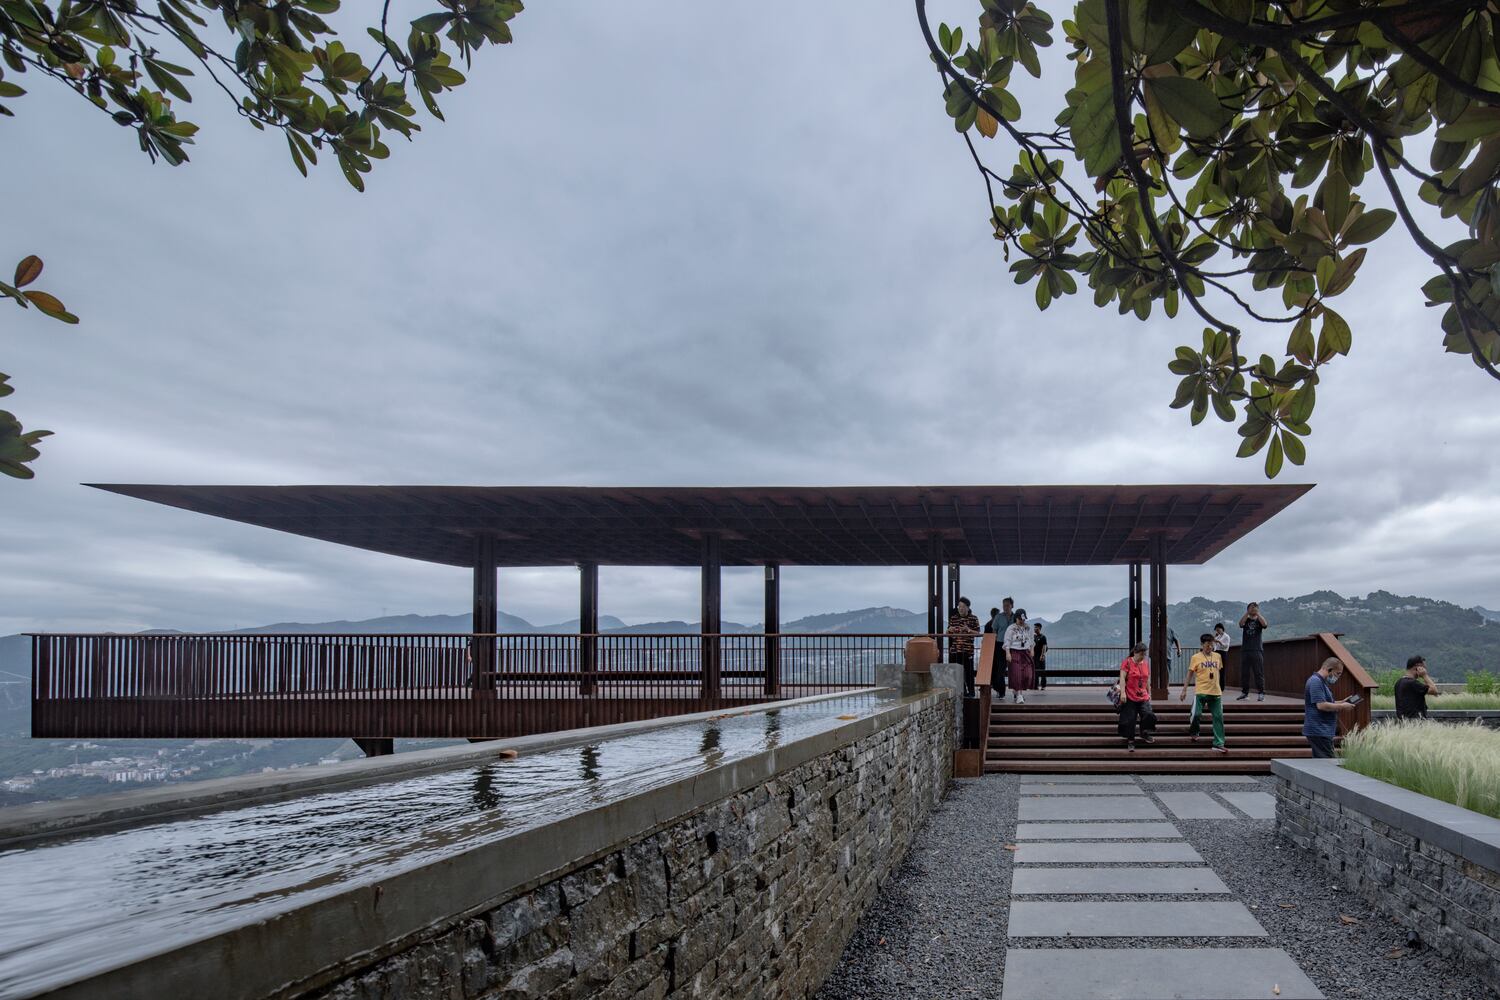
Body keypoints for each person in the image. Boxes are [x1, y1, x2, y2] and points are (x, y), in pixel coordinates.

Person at [1303, 656, 1359, 758]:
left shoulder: (1320, 682)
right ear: (1329, 669)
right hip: (1319, 729)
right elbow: (1321, 705)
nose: (1337, 677)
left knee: (1321, 762)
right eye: (1337, 674)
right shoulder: (1316, 681)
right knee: (1327, 763)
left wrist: (1341, 702)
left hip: (1322, 729)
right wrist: (1342, 706)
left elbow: (1324, 701)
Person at [1181, 633, 1227, 754]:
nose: (1210, 647)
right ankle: (1194, 731)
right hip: (1201, 691)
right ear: (1202, 645)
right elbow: (1190, 674)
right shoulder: (1196, 657)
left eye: (1211, 645)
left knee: (1218, 717)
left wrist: (1221, 688)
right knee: (1196, 715)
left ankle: (1218, 743)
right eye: (1207, 645)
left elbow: (1219, 672)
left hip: (1215, 692)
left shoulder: (1217, 656)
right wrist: (1184, 689)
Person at [1115, 641, 1156, 751]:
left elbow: (1147, 679)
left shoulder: (1145, 664)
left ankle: (1144, 732)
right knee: (1130, 719)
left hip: (1143, 695)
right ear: (1135, 653)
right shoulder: (1127, 662)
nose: (1143, 656)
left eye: (1144, 654)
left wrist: (1149, 693)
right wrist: (1123, 693)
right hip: (1130, 695)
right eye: (1142, 654)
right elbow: (1122, 678)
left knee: (1148, 714)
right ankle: (1131, 740)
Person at [947, 597, 981, 697]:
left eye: (963, 606)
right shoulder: (954, 618)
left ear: (968, 607)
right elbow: (947, 632)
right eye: (959, 606)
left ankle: (971, 692)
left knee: (969, 673)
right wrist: (950, 630)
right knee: (957, 673)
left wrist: (968, 630)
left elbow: (978, 633)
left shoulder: (973, 618)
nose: (960, 608)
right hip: (955, 650)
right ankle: (962, 692)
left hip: (967, 651)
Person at [1237, 602, 1268, 702]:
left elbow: (1265, 624)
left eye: (1255, 608)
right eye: (1251, 608)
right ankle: (1244, 693)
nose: (1253, 609)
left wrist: (1257, 614)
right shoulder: (1246, 620)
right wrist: (1247, 613)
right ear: (1248, 609)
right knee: (1244, 673)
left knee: (1258, 672)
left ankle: (1261, 693)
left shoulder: (1259, 620)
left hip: (1257, 649)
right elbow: (1240, 624)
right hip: (1245, 649)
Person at [1003, 608, 1035, 704]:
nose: (1022, 621)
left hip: (1025, 652)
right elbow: (1007, 641)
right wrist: (1008, 653)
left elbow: (1031, 640)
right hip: (1014, 652)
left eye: (1024, 619)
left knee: (1027, 675)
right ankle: (1019, 695)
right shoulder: (1011, 628)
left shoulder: (1028, 628)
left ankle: (1017, 691)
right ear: (1016, 618)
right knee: (1017, 674)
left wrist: (1032, 650)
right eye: (1020, 619)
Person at [1393, 655, 1440, 720]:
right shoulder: (1413, 683)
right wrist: (1424, 675)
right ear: (1418, 667)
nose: (1425, 670)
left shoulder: (1399, 682)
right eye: (1424, 667)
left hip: (1403, 722)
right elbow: (1435, 691)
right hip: (1415, 722)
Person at [982, 607, 1006, 699]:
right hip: (1000, 650)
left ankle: (997, 689)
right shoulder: (1000, 624)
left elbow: (985, 638)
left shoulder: (988, 624)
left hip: (990, 651)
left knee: (993, 671)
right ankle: (1001, 692)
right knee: (1000, 671)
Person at [1032, 621, 1048, 691]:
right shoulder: (1034, 637)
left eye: (1036, 627)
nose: (1035, 628)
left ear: (1039, 628)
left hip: (1041, 656)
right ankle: (1035, 685)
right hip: (1034, 656)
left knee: (1042, 671)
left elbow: (1044, 646)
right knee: (1035, 671)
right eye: (1034, 627)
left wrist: (1042, 655)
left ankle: (1043, 685)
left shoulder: (1043, 637)